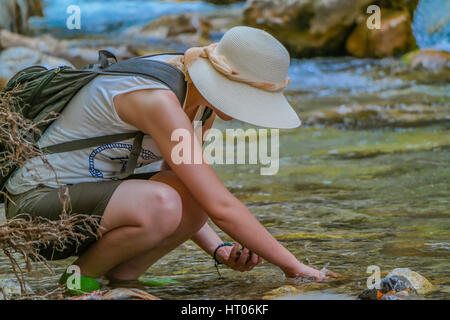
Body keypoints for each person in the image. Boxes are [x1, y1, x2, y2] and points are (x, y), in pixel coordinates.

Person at [5, 26, 337, 293]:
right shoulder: (158, 99)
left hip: (93, 206)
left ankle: (121, 281)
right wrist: (295, 268)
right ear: (229, 79)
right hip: (37, 210)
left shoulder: (202, 103)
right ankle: (75, 285)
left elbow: (192, 195)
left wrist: (218, 250)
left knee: (184, 192)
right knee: (163, 203)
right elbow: (221, 205)